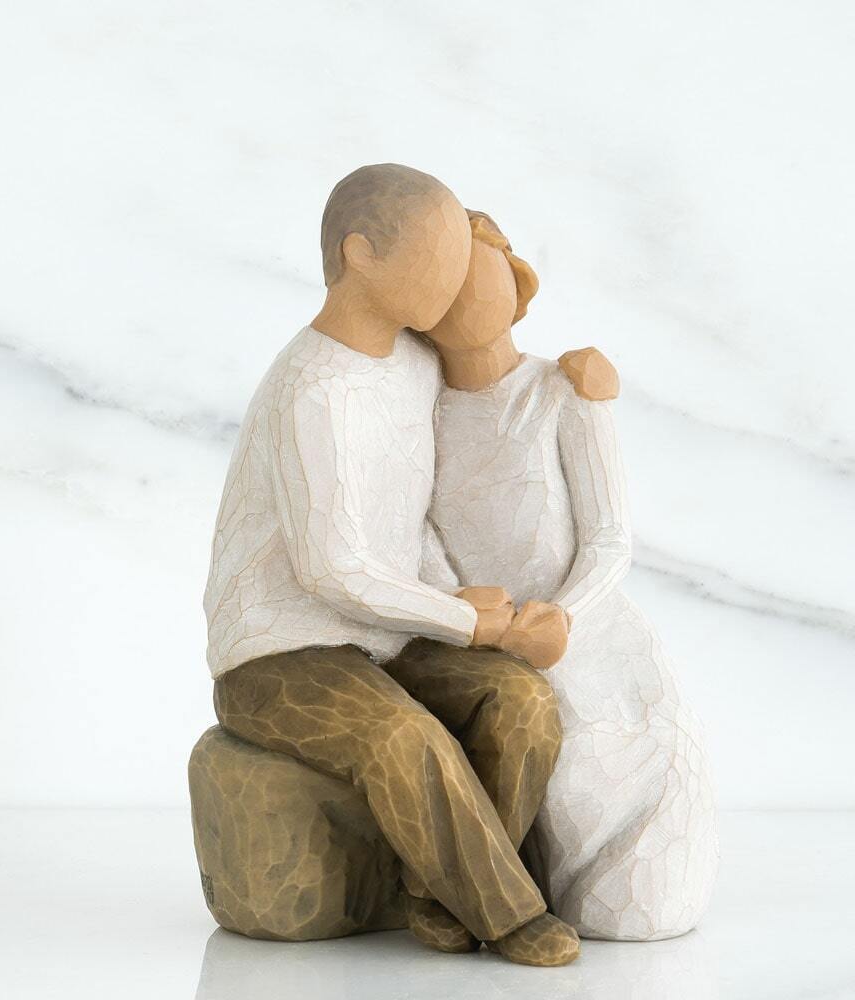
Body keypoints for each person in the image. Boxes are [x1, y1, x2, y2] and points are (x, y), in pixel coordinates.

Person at [203, 165, 579, 966]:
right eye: (437, 252)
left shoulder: (414, 363)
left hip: (386, 639)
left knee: (521, 701)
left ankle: (436, 894)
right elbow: (330, 569)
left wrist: (571, 387)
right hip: (280, 657)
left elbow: (416, 511)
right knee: (401, 736)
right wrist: (464, 620)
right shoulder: (312, 387)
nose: (454, 274)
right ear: (360, 254)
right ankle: (507, 914)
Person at [421, 210, 719, 940]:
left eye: (483, 269)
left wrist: (564, 615)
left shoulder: (563, 391)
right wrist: (458, 606)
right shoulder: (416, 414)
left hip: (591, 638)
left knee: (621, 805)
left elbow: (610, 537)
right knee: (523, 763)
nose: (469, 293)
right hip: (482, 643)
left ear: (518, 283)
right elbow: (415, 529)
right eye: (446, 278)